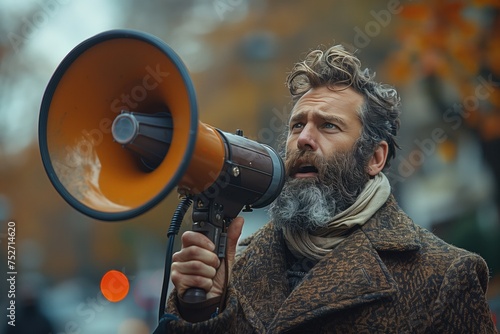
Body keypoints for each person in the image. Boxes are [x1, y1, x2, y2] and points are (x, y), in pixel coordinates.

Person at [153, 45, 498, 333]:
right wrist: (203, 311)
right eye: (297, 125)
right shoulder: (236, 266)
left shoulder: (443, 276)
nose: (303, 138)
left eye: (329, 125)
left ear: (375, 157)